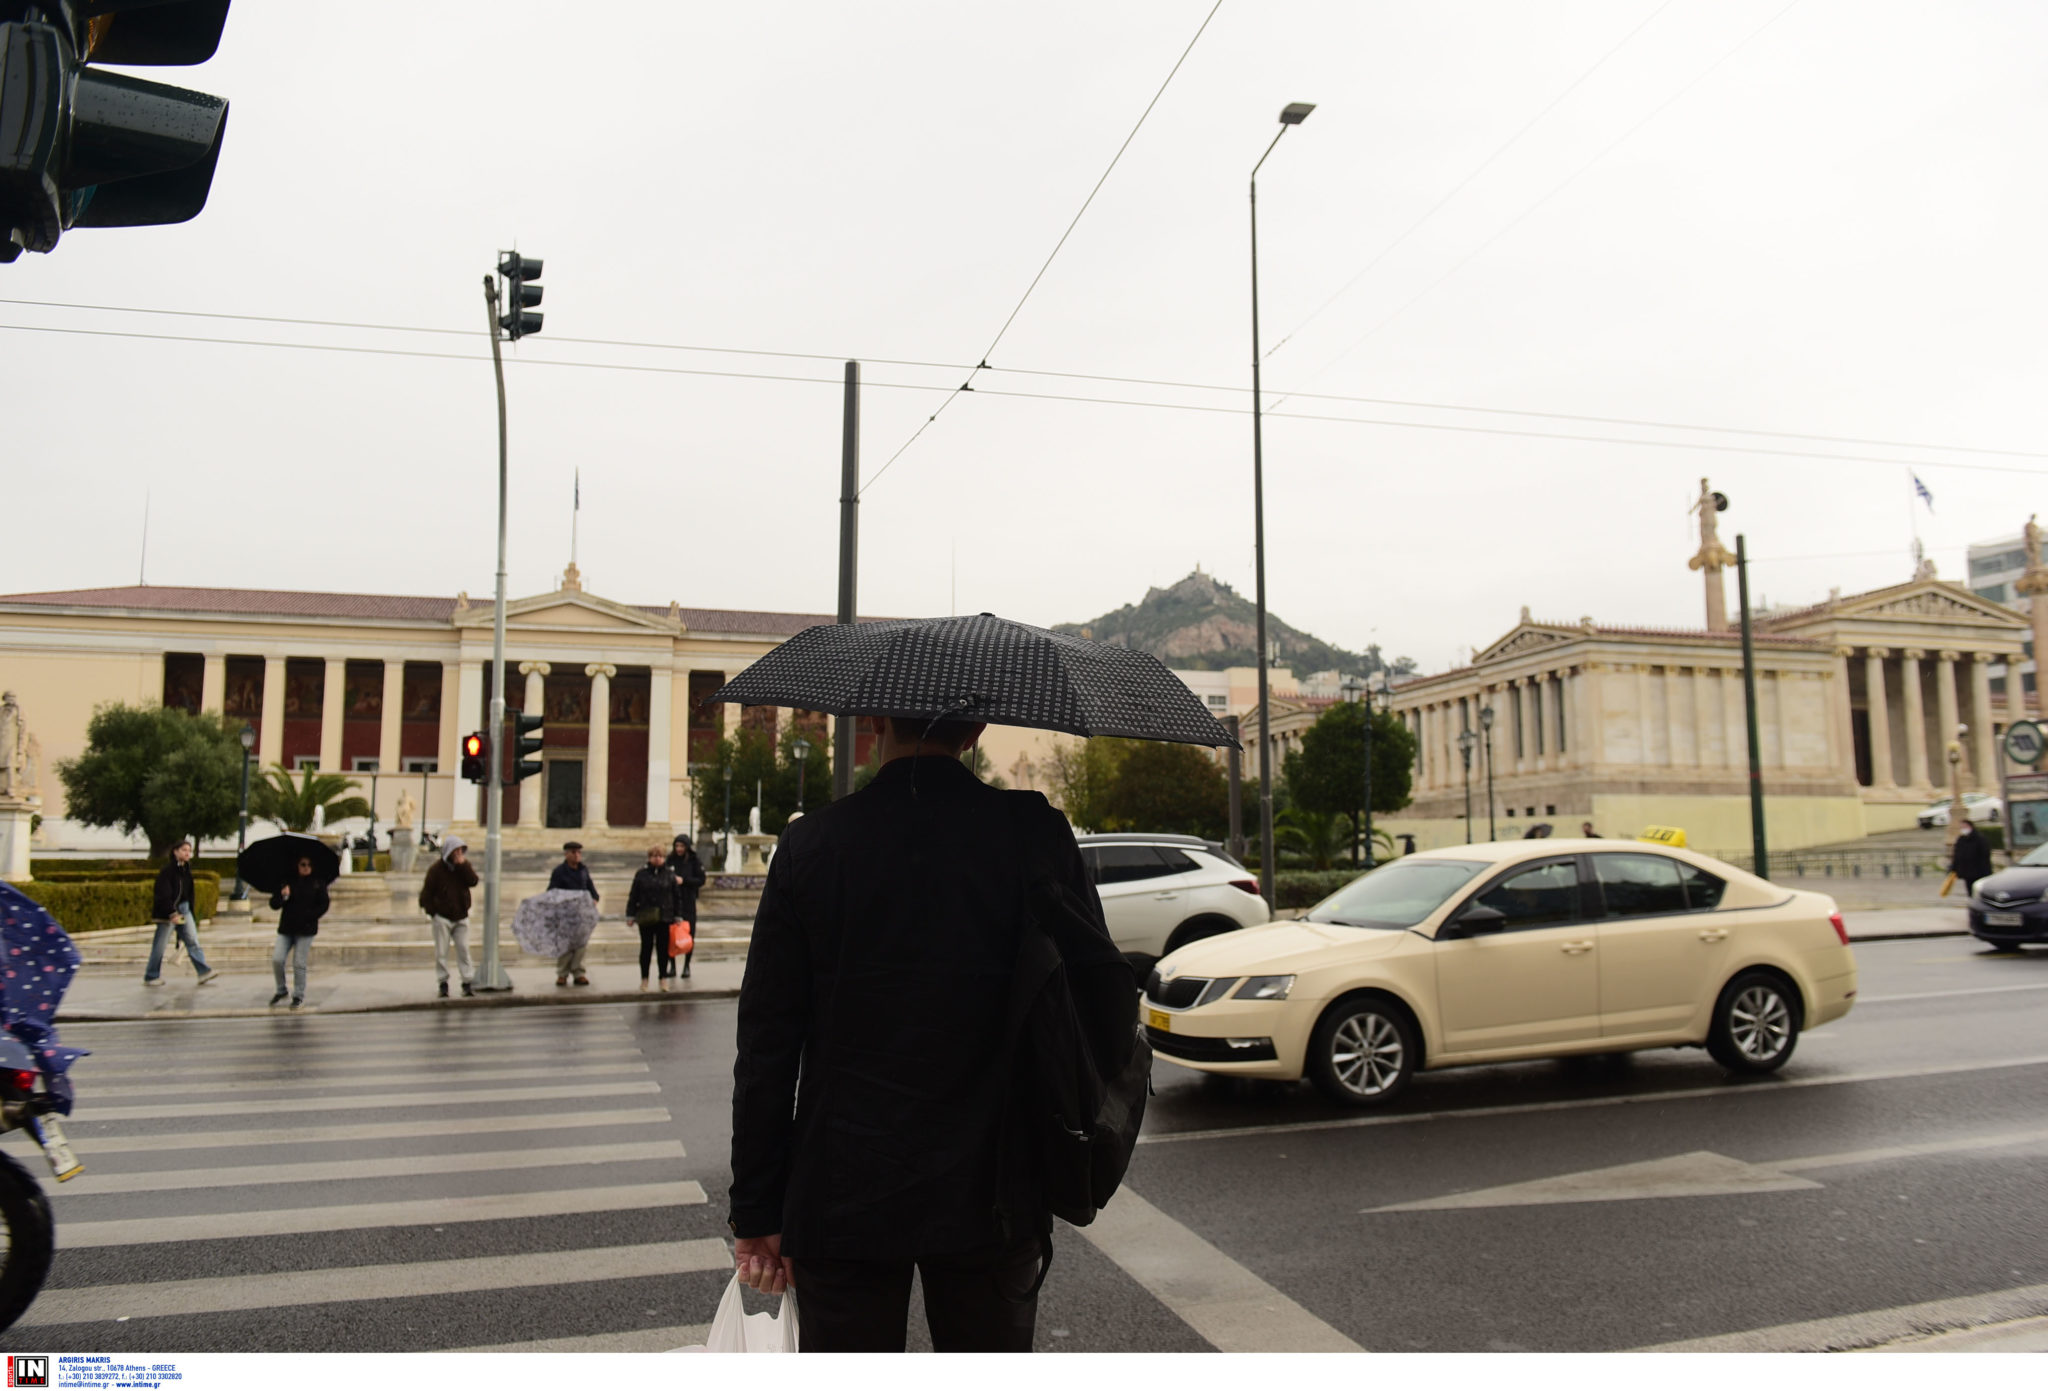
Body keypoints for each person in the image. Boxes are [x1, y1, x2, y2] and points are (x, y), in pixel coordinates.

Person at [729, 714, 1099, 1353]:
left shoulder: (812, 844)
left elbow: (767, 1045)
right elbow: (1092, 995)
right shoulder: (1035, 832)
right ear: (976, 728)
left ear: (873, 720)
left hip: (841, 1183)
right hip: (997, 1177)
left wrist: (758, 1209)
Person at [145, 840, 219, 988]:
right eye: (184, 850)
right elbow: (163, 894)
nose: (187, 853)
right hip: (168, 914)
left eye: (189, 851)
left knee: (192, 941)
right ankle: (151, 975)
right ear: (175, 851)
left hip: (184, 910)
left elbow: (188, 894)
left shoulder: (187, 870)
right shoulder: (167, 871)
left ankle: (203, 971)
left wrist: (190, 912)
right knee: (160, 945)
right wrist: (172, 913)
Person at [419, 834, 479, 998]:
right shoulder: (436, 870)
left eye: (461, 850)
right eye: (456, 850)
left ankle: (467, 982)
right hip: (442, 918)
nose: (459, 853)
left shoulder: (463, 867)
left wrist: (463, 866)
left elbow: (473, 881)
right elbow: (425, 895)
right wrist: (434, 912)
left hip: (461, 916)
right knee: (441, 953)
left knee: (464, 950)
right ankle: (443, 983)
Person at [269, 853, 329, 1008]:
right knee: (277, 959)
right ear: (297, 865)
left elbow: (324, 904)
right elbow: (274, 904)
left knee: (299, 963)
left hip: (306, 929)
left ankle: (298, 995)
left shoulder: (317, 882)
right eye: (303, 864)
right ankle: (281, 990)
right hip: (287, 928)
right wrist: (283, 896)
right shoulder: (287, 881)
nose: (306, 868)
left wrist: (310, 916)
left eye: (309, 865)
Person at [627, 846, 680, 993]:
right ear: (649, 858)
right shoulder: (642, 874)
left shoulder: (669, 874)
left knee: (663, 950)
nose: (657, 859)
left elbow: (676, 896)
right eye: (654, 856)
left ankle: (663, 978)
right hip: (646, 916)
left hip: (665, 917)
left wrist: (677, 915)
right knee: (646, 948)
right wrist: (630, 914)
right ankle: (644, 979)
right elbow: (634, 895)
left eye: (660, 856)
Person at [549, 841, 600, 986]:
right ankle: (562, 974)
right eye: (574, 852)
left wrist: (595, 898)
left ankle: (578, 972)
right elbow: (552, 891)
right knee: (565, 946)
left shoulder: (583, 870)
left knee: (581, 946)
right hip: (566, 915)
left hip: (582, 915)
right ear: (566, 854)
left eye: (579, 852)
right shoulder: (559, 871)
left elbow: (591, 888)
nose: (577, 855)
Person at [664, 833, 707, 980]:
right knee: (671, 935)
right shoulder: (670, 860)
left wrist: (684, 881)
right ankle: (672, 966)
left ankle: (687, 965)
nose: (679, 849)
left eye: (681, 846)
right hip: (672, 902)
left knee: (689, 934)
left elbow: (701, 880)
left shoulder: (694, 861)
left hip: (688, 902)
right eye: (676, 846)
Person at [1951, 819, 1994, 898]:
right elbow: (1957, 855)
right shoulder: (1961, 839)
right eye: (1961, 827)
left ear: (1970, 827)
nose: (1963, 829)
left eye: (1965, 827)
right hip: (1966, 871)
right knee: (1970, 890)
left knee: (1978, 890)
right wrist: (1954, 868)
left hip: (1979, 871)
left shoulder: (1980, 839)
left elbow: (1985, 855)